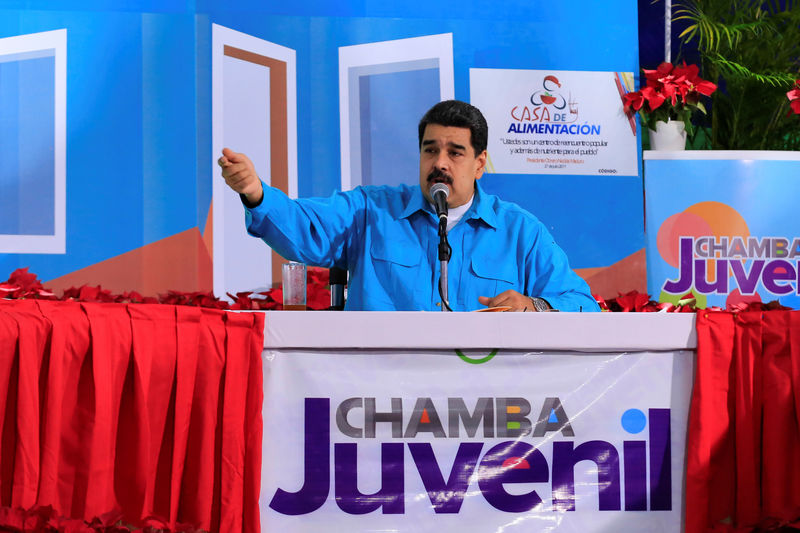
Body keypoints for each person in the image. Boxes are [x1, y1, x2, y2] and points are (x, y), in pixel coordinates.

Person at [219, 100, 599, 312]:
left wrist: (532, 307)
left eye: (455, 153)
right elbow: (307, 230)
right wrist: (255, 192)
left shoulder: (520, 231)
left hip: (484, 401)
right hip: (377, 398)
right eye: (430, 150)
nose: (440, 164)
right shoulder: (372, 211)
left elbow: (581, 304)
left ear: (480, 164)